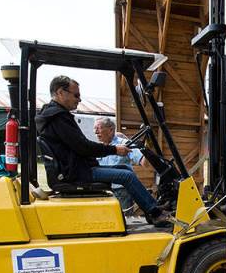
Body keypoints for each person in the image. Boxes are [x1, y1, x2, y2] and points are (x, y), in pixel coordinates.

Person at [36, 75, 168, 225]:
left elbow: (80, 145)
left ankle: (152, 208)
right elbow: (83, 147)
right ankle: (155, 214)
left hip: (74, 168)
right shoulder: (58, 118)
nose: (79, 99)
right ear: (60, 92)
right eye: (76, 95)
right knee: (127, 176)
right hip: (76, 172)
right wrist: (115, 150)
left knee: (126, 169)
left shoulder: (53, 116)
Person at [93, 117, 144, 214]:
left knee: (123, 221)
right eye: (94, 128)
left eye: (98, 128)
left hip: (121, 192)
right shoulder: (98, 147)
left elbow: (142, 160)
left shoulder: (124, 144)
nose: (96, 132)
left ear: (111, 129)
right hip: (104, 192)